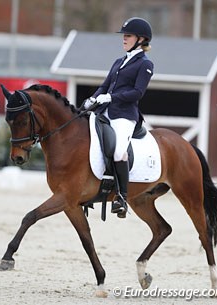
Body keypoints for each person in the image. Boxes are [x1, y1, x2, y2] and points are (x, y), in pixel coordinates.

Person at [84, 17, 154, 218]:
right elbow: (104, 86)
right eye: (124, 35)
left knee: (118, 152)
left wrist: (111, 97)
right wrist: (93, 99)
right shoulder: (119, 61)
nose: (124, 39)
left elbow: (137, 93)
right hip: (104, 111)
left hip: (124, 115)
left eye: (128, 36)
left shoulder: (145, 64)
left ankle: (122, 197)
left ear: (141, 39)